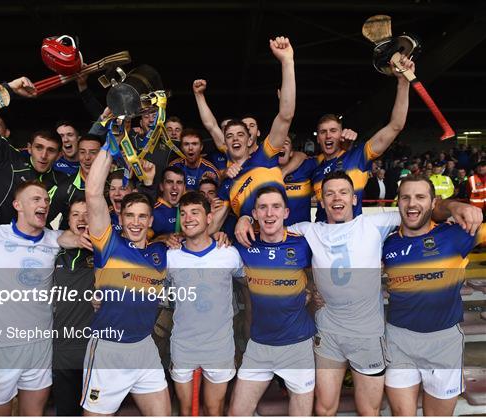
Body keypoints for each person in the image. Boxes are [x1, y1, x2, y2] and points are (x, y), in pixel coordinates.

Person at [234, 170, 481, 415]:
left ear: (354, 198)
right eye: (329, 193)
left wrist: (454, 206)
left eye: (343, 192)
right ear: (321, 201)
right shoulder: (308, 231)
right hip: (329, 333)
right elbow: (273, 232)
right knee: (324, 408)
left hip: (368, 335)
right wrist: (245, 218)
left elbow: (422, 209)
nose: (336, 198)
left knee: (368, 410)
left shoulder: (377, 223)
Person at [0, 181, 84, 416]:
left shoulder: (54, 239)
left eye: (46, 201)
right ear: (17, 205)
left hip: (38, 347)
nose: (44, 204)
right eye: (36, 199)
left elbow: (89, 237)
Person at [382, 175, 485, 415]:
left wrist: (457, 206)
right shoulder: (385, 243)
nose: (411, 203)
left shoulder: (457, 234)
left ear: (432, 203)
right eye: (405, 197)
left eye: (420, 197)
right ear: (397, 203)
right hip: (399, 341)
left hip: (444, 343)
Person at [82, 144, 171, 416]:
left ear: (150, 220)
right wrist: (109, 145)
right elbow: (93, 192)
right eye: (129, 216)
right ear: (119, 218)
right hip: (108, 349)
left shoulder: (160, 252)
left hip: (144, 348)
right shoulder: (108, 244)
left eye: (142, 216)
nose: (135, 222)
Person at [231, 186, 316, 416]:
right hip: (259, 346)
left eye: (276, 207)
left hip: (297, 346)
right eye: (263, 208)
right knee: (237, 413)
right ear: (255, 214)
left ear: (286, 212)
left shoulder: (303, 244)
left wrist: (309, 292)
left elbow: (319, 274)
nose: (270, 214)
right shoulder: (244, 244)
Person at [309, 55, 415, 221]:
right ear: (318, 139)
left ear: (341, 133)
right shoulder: (312, 166)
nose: (328, 135)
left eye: (333, 131)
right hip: (323, 240)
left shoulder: (359, 155)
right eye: (323, 132)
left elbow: (396, 125)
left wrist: (403, 81)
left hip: (353, 237)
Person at [167, 192, 243, 416]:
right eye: (183, 214)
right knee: (186, 410)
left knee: (214, 409)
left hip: (219, 347)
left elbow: (248, 283)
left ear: (209, 218)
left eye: (195, 212)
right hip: (182, 346)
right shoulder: (171, 256)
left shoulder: (228, 253)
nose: (188, 218)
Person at [210, 36, 296, 231]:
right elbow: (212, 227)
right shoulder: (226, 184)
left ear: (250, 139)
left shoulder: (264, 155)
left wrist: (287, 62)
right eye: (229, 136)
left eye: (240, 134)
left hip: (281, 243)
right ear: (225, 143)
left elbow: (286, 115)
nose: (235, 139)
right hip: (248, 251)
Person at [0, 77, 66, 225]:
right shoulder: (8, 157)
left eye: (50, 150)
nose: (43, 155)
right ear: (29, 148)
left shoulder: (63, 183)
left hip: (25, 246)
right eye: (39, 147)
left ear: (59, 155)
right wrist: (9, 89)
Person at [52, 198, 94, 416]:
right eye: (75, 214)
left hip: (97, 348)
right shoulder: (53, 248)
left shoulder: (107, 248)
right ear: (67, 220)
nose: (82, 219)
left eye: (87, 213)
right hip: (64, 348)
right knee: (67, 410)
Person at [47, 134, 103, 229]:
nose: (87, 157)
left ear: (102, 155)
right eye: (82, 152)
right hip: (74, 242)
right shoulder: (63, 187)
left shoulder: (114, 185)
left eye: (93, 152)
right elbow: (43, 221)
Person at [152, 166, 186, 238]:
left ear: (184, 188)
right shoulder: (153, 212)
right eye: (170, 182)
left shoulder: (188, 209)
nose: (174, 187)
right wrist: (161, 239)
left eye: (179, 182)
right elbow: (142, 243)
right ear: (161, 186)